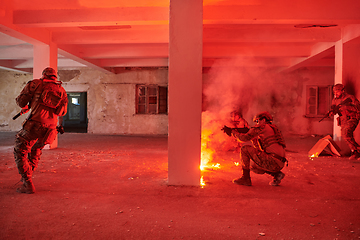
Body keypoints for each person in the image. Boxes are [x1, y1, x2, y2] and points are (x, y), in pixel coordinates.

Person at [14, 67, 68, 194]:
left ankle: (27, 182)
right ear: (55, 76)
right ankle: (27, 178)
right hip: (50, 129)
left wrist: (28, 105)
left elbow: (21, 102)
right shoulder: (61, 90)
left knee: (19, 150)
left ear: (43, 75)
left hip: (34, 126)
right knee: (36, 151)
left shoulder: (35, 84)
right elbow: (62, 112)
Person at [222, 111, 287, 186]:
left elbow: (243, 138)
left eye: (257, 121)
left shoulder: (262, 127)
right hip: (280, 163)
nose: (256, 123)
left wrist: (232, 132)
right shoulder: (273, 128)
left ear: (263, 120)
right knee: (253, 165)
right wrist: (254, 140)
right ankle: (277, 174)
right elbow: (260, 149)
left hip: (272, 160)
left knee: (244, 149)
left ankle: (245, 178)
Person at [330, 83, 360, 159]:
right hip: (343, 120)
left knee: (346, 133)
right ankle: (355, 151)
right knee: (346, 136)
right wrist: (332, 112)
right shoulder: (335, 100)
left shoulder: (350, 98)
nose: (336, 93)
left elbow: (358, 108)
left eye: (337, 91)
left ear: (343, 91)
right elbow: (333, 110)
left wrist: (347, 107)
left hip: (352, 118)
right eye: (334, 92)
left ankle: (356, 151)